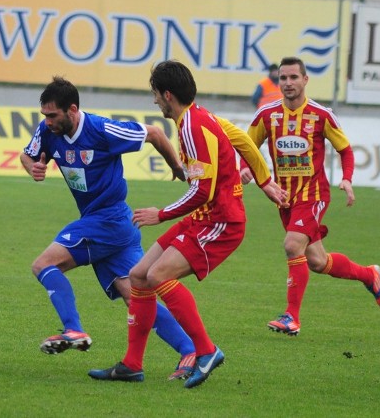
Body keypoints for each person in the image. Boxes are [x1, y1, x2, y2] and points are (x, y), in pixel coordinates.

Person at [88, 60, 286, 388]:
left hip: (222, 222)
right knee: (138, 275)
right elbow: (243, 140)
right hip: (205, 217)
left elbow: (202, 190)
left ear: (168, 94)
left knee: (157, 275)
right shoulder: (198, 118)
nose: (154, 101)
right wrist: (264, 182)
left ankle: (206, 351)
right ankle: (132, 365)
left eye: (155, 94)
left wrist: (161, 213)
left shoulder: (193, 127)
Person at [20, 76, 201, 380]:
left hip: (109, 219)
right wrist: (33, 167)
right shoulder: (47, 131)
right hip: (112, 226)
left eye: (53, 115)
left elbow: (155, 133)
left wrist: (175, 168)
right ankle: (189, 350)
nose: (47, 122)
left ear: (72, 110)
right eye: (44, 116)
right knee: (136, 296)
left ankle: (73, 329)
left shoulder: (102, 129)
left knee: (43, 264)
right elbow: (27, 154)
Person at [240, 56, 380, 336]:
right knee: (318, 261)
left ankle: (291, 317)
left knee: (292, 245)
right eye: (283, 78)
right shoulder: (267, 115)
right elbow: (246, 147)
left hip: (314, 194)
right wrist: (244, 167)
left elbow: (345, 149)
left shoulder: (321, 114)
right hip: (284, 198)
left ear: (305, 80)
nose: (288, 83)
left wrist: (346, 178)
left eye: (294, 77)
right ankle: (370, 275)